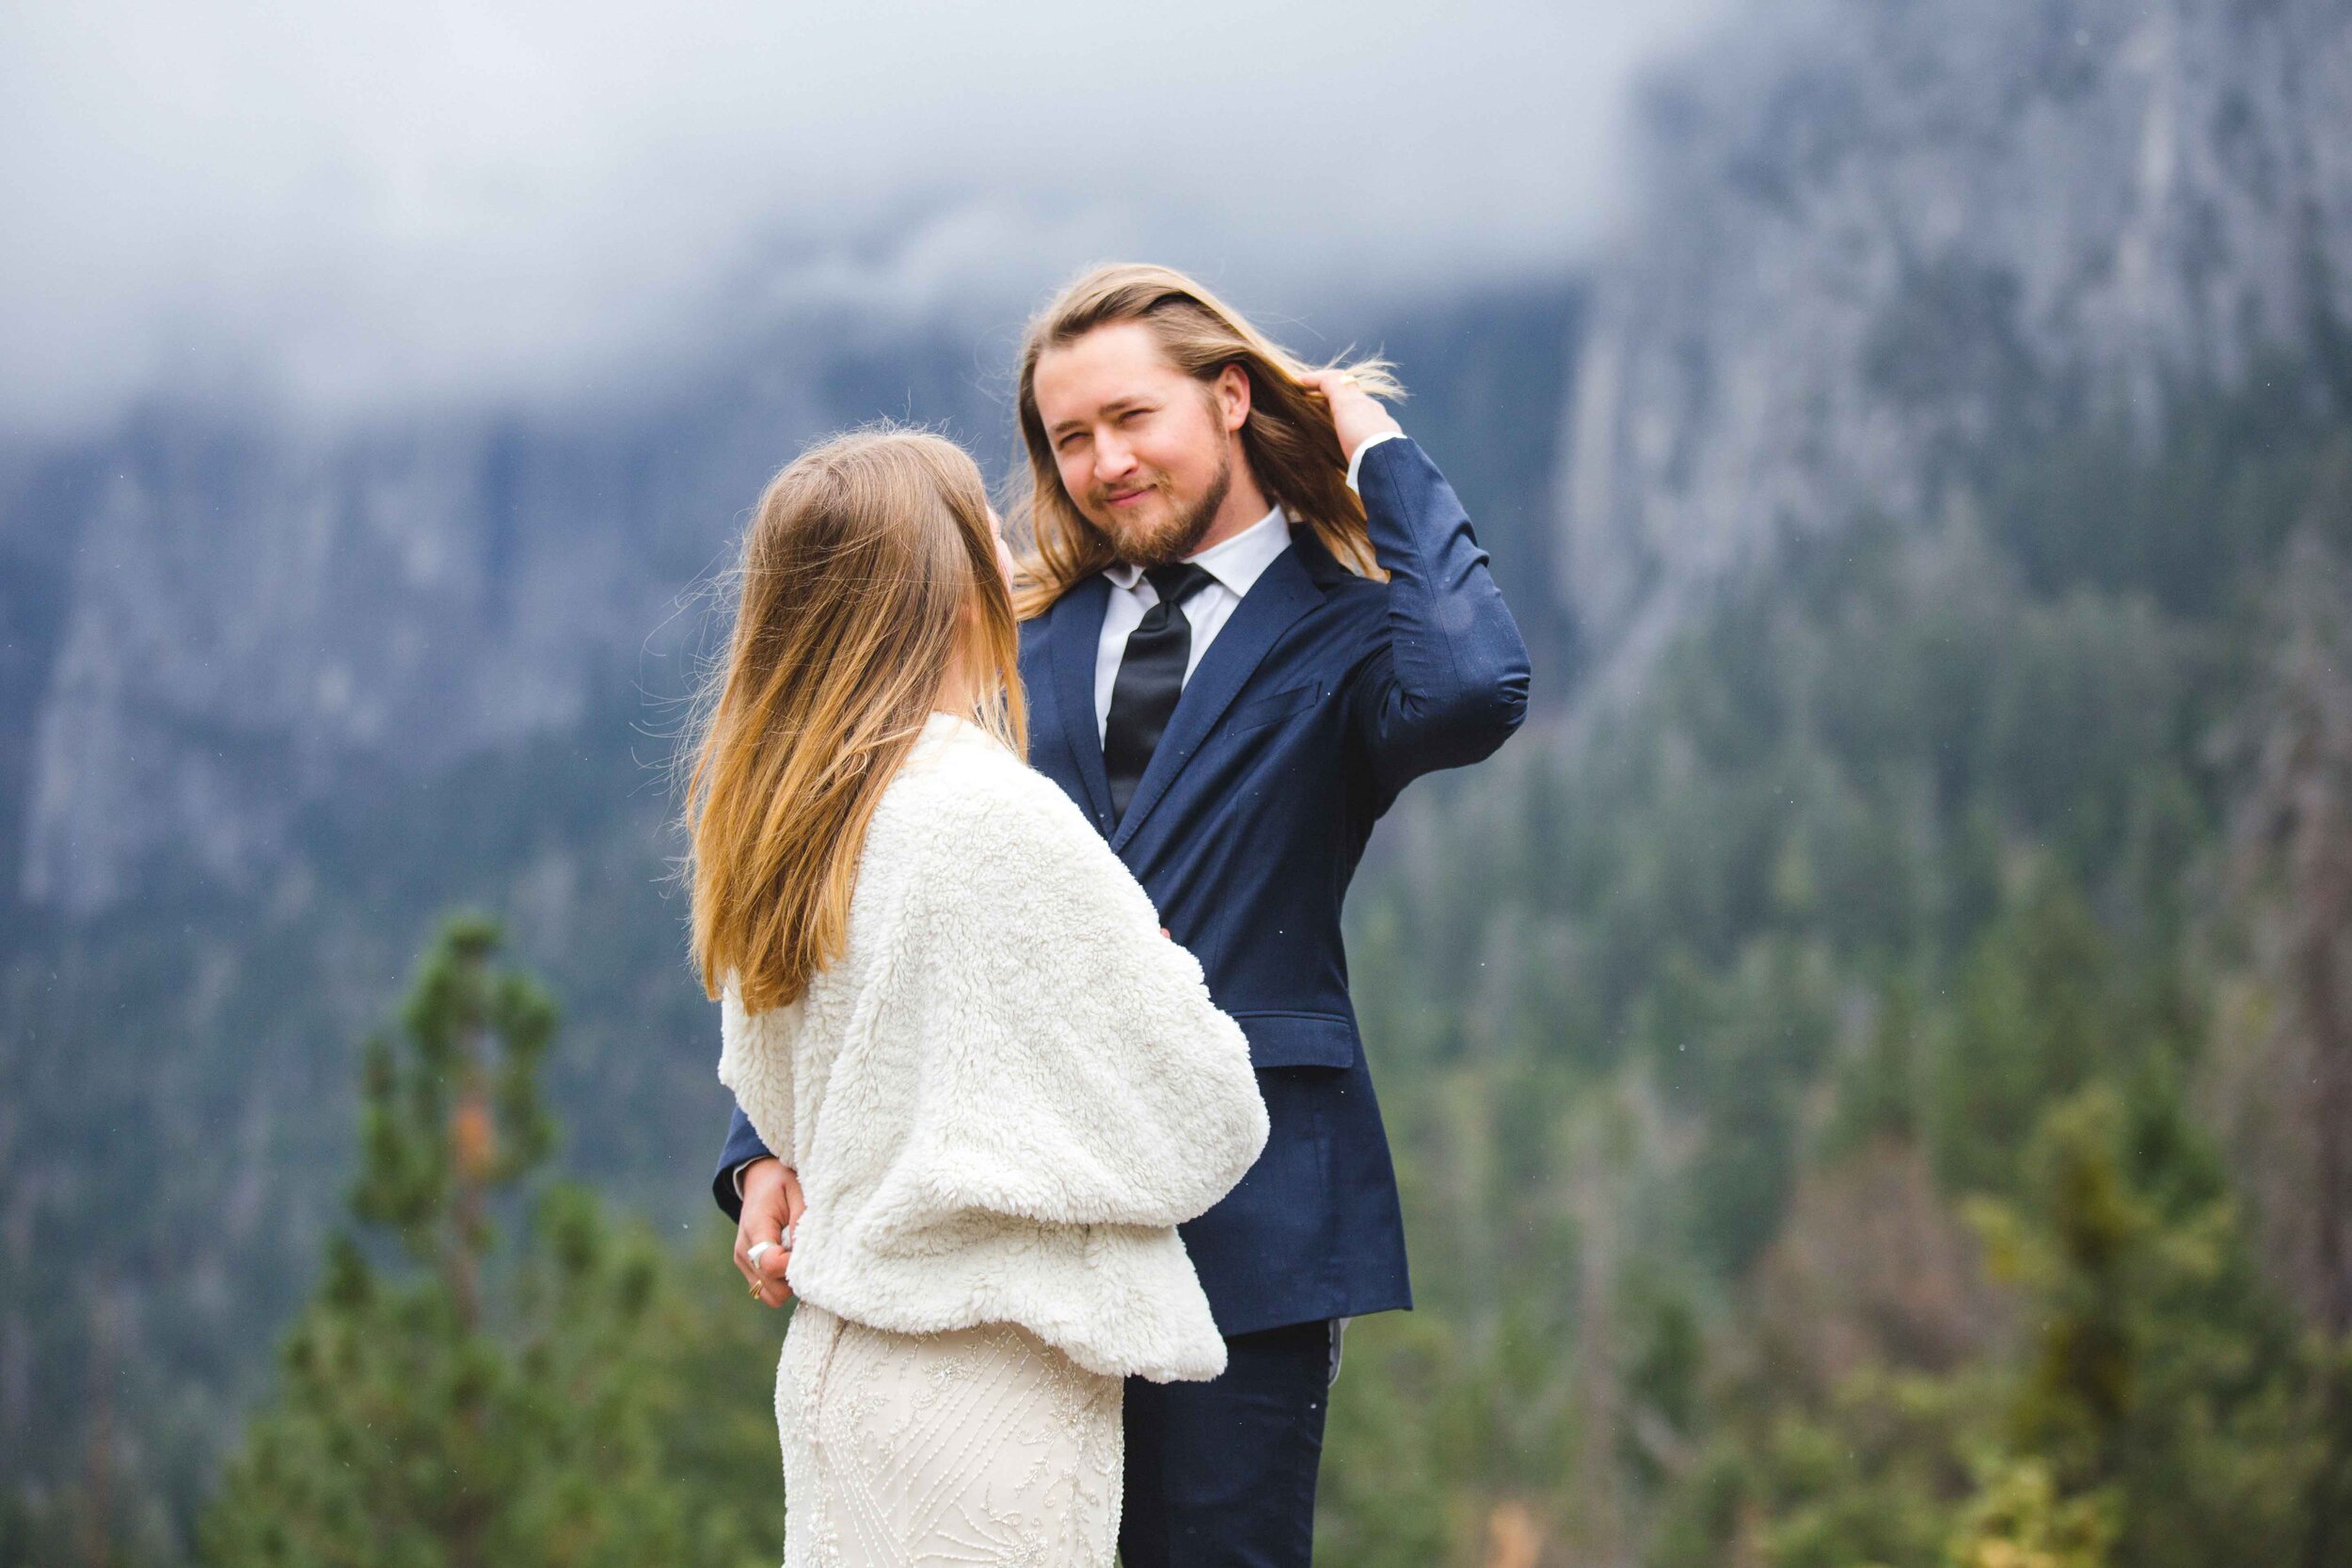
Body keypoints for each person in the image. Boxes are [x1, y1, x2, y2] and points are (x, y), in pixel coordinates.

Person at [715, 263, 1532, 1567]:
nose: (1099, 463)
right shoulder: (1011, 628)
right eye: (1067, 436)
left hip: (1249, 1217)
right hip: (1011, 1236)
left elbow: (1478, 686)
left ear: (1230, 396)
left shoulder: (1353, 630)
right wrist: (765, 1140)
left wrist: (1373, 445)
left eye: (1129, 418)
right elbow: (870, 888)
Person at [684, 427, 1269, 1567]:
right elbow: (1210, 1115)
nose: (1016, 559)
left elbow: (780, 1103)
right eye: (990, 536)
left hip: (844, 1368)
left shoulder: (785, 830)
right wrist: (1155, 965)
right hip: (988, 1383)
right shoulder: (996, 815)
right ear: (946, 588)